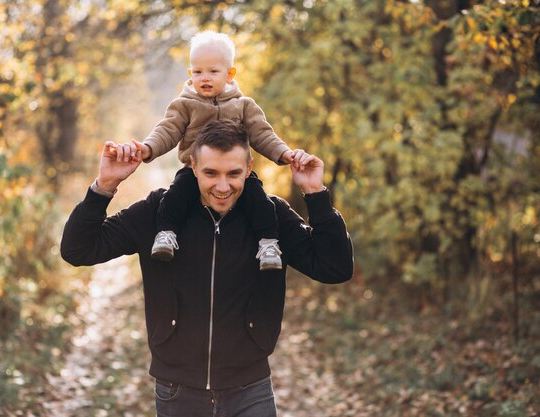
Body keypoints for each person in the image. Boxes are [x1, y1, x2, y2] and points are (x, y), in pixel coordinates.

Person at [61, 120, 353, 417]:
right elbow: (78, 250)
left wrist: (316, 194)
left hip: (250, 390)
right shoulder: (158, 212)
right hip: (177, 392)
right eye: (211, 173)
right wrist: (105, 186)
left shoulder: (271, 218)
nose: (223, 186)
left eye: (234, 173)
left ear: (249, 168)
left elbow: (335, 268)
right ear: (193, 166)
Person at [130, 30, 294, 270]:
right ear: (190, 74)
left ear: (229, 74)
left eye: (213, 71)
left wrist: (283, 153)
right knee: (175, 196)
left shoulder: (244, 105)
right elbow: (167, 130)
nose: (204, 77)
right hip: (195, 171)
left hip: (234, 171)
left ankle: (268, 244)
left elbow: (262, 133)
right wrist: (147, 148)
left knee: (260, 200)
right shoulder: (185, 105)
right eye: (197, 72)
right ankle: (166, 234)